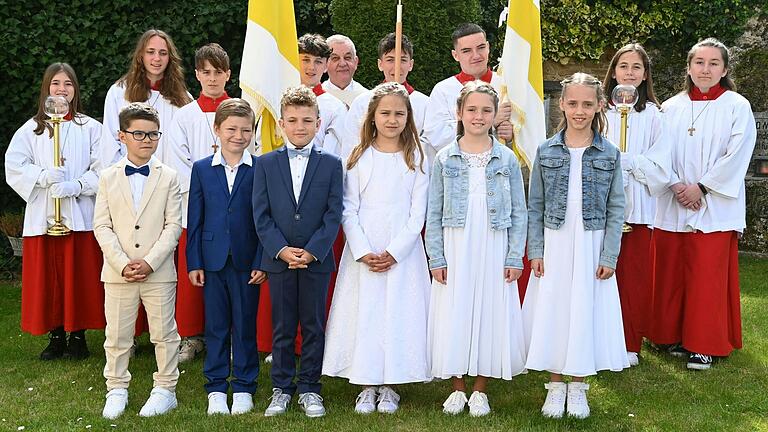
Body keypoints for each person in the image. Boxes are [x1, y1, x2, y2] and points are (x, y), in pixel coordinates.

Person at [523, 73, 628, 420]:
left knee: (583, 309)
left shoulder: (609, 153)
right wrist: (535, 250)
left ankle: (578, 384)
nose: (579, 111)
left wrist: (609, 254)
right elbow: (534, 204)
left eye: (587, 104)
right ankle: (555, 384)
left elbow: (616, 207)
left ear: (600, 106)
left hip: (590, 242)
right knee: (555, 308)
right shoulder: (546, 150)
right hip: (555, 240)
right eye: (572, 103)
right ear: (562, 105)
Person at [323, 82, 431, 414]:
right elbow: (348, 208)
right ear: (372, 116)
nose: (392, 119)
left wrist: (396, 251)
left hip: (402, 250)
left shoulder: (417, 157)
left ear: (408, 117)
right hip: (365, 248)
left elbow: (418, 212)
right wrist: (362, 249)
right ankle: (366, 382)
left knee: (397, 312)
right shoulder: (357, 157)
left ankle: (391, 383)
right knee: (366, 311)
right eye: (385, 112)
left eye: (399, 113)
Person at [649, 38, 755, 370]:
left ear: (724, 69)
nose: (705, 69)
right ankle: (670, 335)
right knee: (672, 272)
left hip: (715, 206)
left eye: (712, 63)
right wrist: (677, 185)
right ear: (689, 67)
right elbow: (658, 152)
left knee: (706, 276)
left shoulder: (737, 105)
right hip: (674, 201)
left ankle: (704, 343)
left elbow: (737, 154)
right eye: (699, 62)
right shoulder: (670, 107)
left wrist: (703, 188)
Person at [425, 81, 527, 417]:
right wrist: (436, 257)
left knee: (488, 309)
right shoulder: (444, 158)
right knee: (455, 308)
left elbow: (519, 211)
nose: (478, 116)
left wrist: (515, 256)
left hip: (493, 241)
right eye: (472, 110)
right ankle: (456, 386)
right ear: (459, 113)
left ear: (496, 115)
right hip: (456, 241)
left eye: (486, 110)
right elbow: (435, 210)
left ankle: (481, 387)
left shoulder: (507, 158)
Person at [252, 86, 343, 418]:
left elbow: (334, 213)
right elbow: (260, 214)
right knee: (283, 325)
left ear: (318, 123)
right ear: (280, 124)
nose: (300, 126)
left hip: (316, 261)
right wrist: (280, 250)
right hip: (280, 261)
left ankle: (310, 388)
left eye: (307, 120)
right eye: (292, 120)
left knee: (314, 323)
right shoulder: (264, 164)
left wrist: (313, 250)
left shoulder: (332, 165)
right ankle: (281, 387)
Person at [5, 63, 104, 360]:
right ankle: (56, 335)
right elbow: (14, 167)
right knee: (51, 277)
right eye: (56, 83)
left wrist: (77, 185)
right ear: (46, 89)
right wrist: (42, 176)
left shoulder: (91, 128)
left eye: (68, 84)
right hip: (43, 213)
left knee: (78, 275)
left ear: (76, 90)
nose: (62, 89)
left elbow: (105, 168)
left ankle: (78, 336)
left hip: (79, 213)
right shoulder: (31, 130)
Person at [93, 102, 183, 419]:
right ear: (122, 136)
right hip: (118, 273)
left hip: (158, 272)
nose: (146, 140)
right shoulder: (107, 177)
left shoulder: (169, 176)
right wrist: (121, 262)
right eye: (139, 134)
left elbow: (173, 224)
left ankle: (165, 389)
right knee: (117, 335)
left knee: (164, 333)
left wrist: (150, 261)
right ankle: (116, 388)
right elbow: (101, 224)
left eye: (153, 134)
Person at [186, 98, 266, 416]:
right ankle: (217, 386)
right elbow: (196, 217)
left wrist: (262, 260)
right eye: (231, 128)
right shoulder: (202, 169)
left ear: (252, 133)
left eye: (246, 130)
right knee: (216, 326)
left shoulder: (260, 168)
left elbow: (264, 220)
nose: (238, 135)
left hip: (248, 263)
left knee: (245, 325)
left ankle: (245, 385)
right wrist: (195, 261)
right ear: (217, 129)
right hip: (213, 259)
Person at [165, 42, 233, 363]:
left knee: (230, 270)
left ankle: (231, 333)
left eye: (218, 72)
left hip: (233, 207)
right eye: (205, 72)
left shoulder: (239, 110)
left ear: (227, 74)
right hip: (195, 207)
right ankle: (191, 336)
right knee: (194, 270)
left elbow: (251, 153)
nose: (212, 78)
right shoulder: (185, 116)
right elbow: (178, 160)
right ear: (196, 75)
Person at [603, 43, 664, 366]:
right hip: (600, 207)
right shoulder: (600, 111)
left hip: (637, 206)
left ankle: (629, 342)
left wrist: (632, 163)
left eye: (636, 67)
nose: (629, 72)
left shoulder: (654, 115)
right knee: (601, 274)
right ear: (614, 72)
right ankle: (600, 339)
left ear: (644, 75)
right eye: (623, 66)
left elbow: (663, 164)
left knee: (632, 278)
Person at [423, 23, 513, 165]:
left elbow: (525, 137)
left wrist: (512, 137)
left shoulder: (506, 86)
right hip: (458, 171)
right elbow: (437, 136)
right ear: (455, 55)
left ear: (488, 47)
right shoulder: (443, 90)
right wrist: (491, 121)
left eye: (481, 48)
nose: (476, 55)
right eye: (466, 51)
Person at [100, 29, 192, 169]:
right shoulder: (119, 92)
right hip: (128, 177)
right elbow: (110, 141)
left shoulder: (183, 98)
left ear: (170, 58)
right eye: (150, 52)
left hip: (170, 181)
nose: (157, 58)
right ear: (141, 55)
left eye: (163, 53)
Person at [339, 33, 430, 160]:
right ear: (380, 64)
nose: (396, 66)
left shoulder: (426, 104)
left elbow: (428, 147)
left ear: (411, 64)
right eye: (390, 60)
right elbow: (350, 145)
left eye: (403, 60)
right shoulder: (363, 102)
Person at [322, 34, 368, 107]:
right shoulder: (317, 97)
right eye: (335, 58)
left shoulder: (367, 98)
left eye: (347, 57)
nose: (342, 64)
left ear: (356, 62)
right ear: (325, 64)